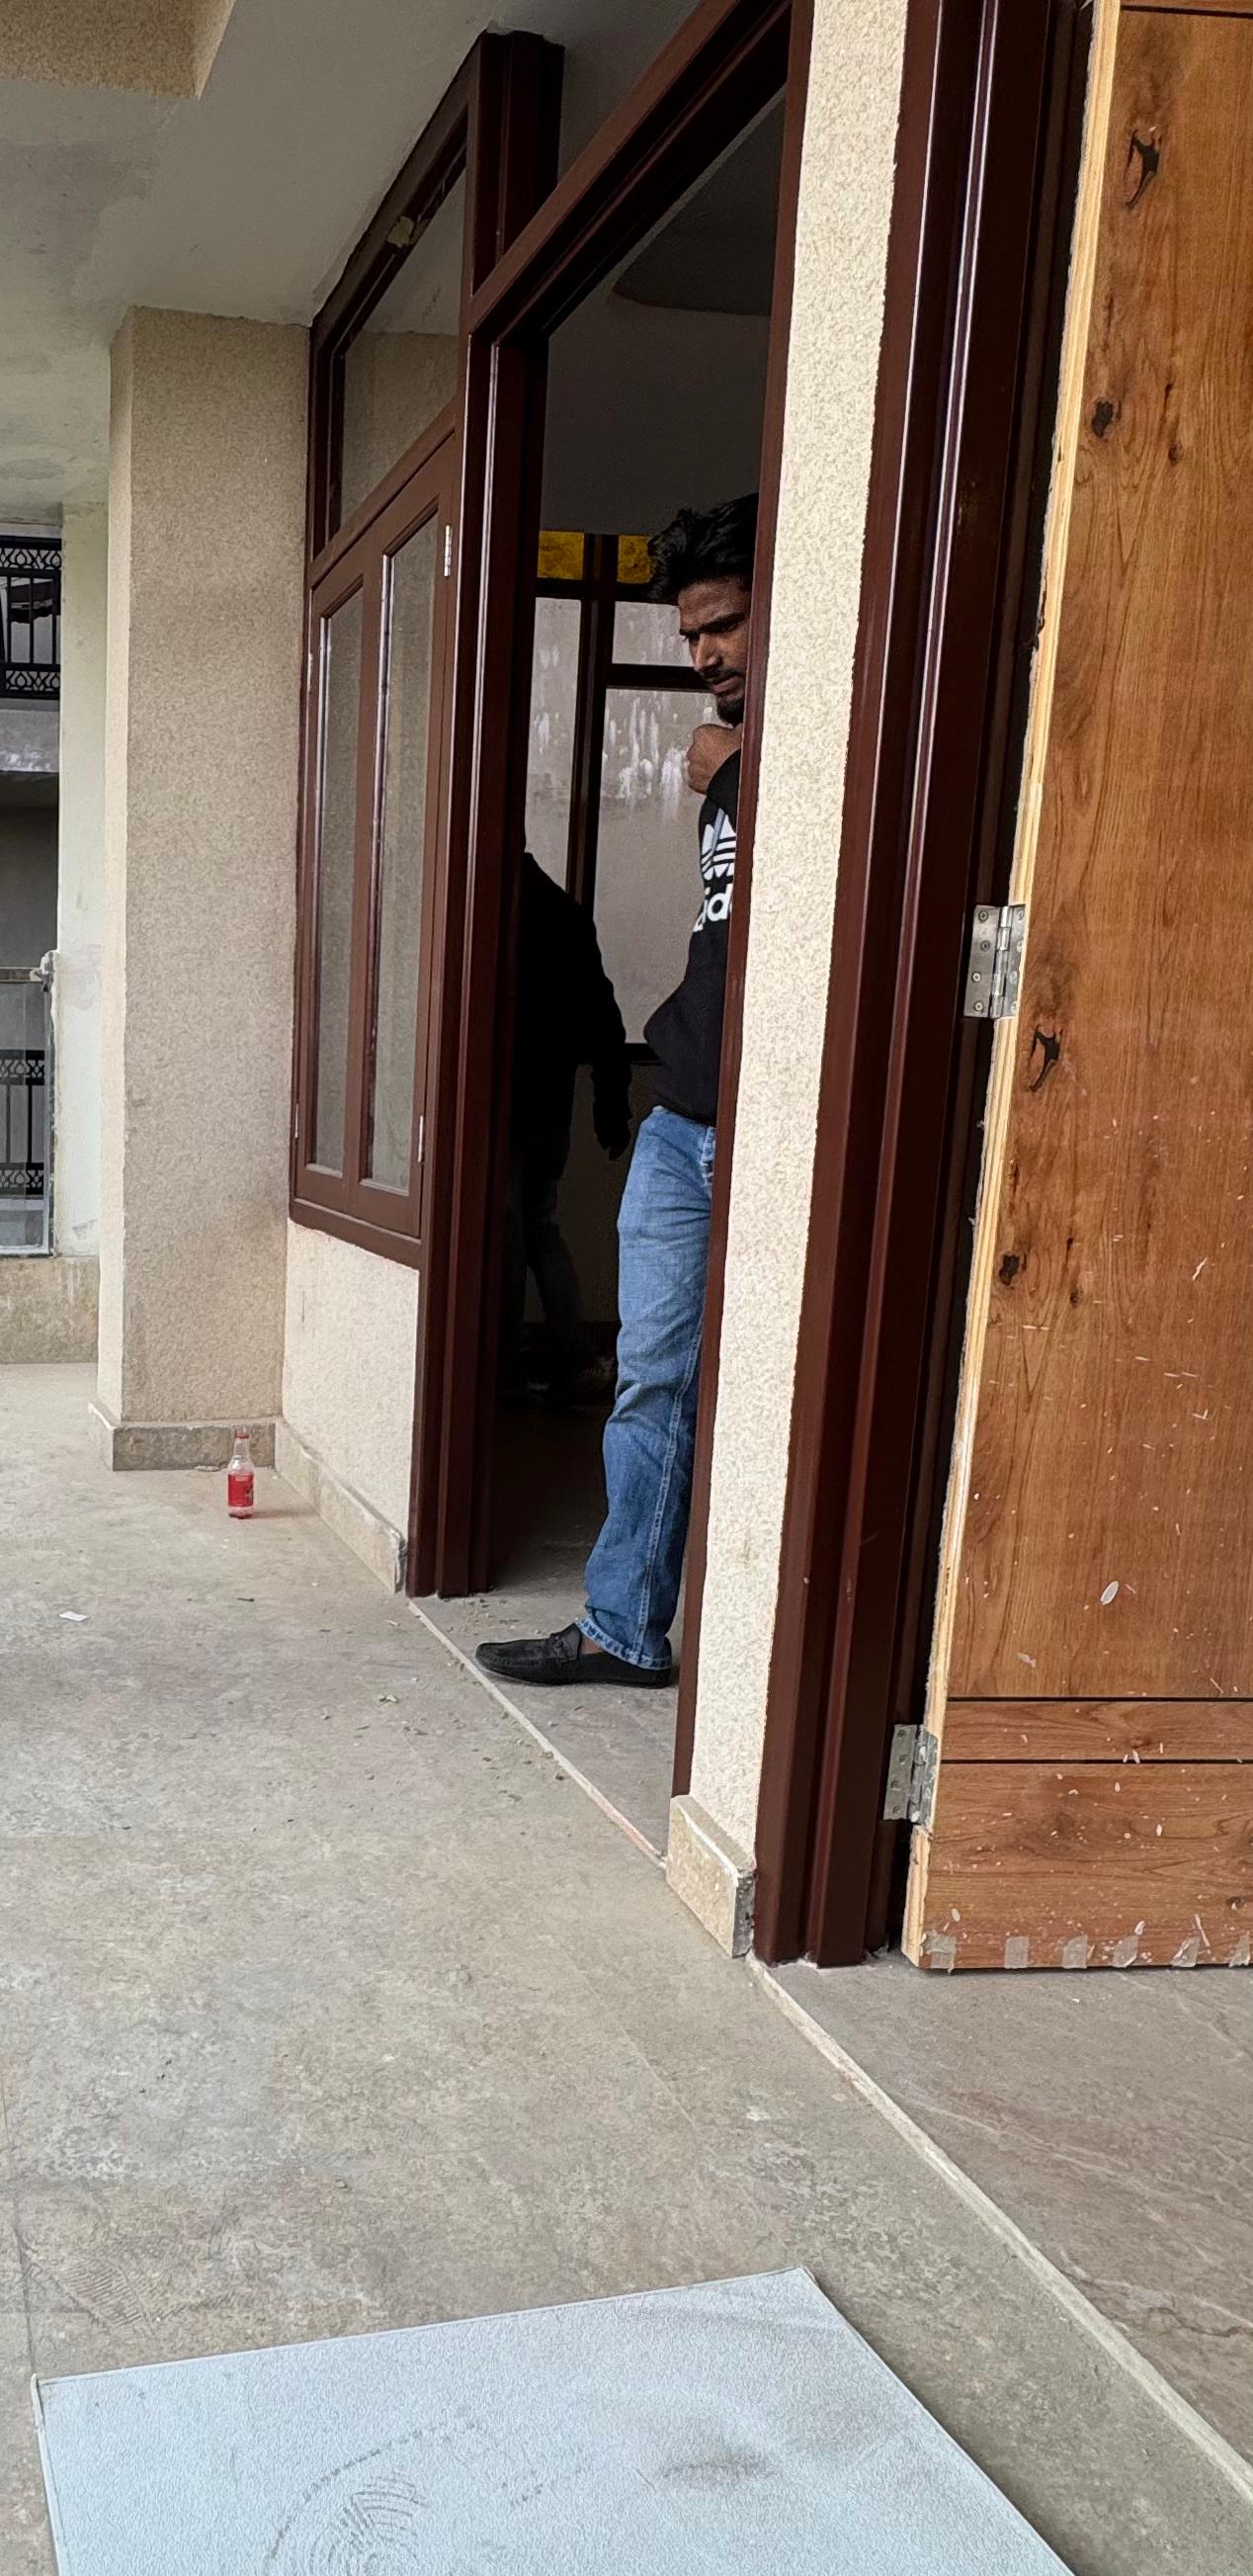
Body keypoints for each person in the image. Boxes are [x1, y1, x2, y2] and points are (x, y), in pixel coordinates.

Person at [481, 492, 754, 1689]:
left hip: (768, 1128)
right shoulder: (732, 758)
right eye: (690, 635)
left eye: (725, 625)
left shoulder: (804, 747)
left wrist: (738, 777)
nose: (704, 656)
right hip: (683, 1120)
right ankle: (624, 1628)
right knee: (651, 1381)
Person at [505, 850, 630, 1399]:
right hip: (550, 1104)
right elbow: (604, 1022)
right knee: (538, 1228)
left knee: (507, 1237)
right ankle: (572, 1356)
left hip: (500, 1107)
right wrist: (611, 1108)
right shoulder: (565, 913)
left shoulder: (491, 911)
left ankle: (501, 1368)